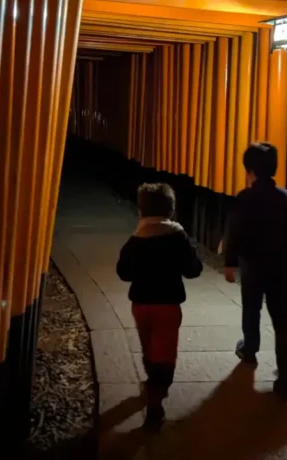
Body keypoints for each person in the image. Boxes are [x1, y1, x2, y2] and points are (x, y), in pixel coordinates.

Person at [117, 183, 203, 430]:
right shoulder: (178, 236)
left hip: (141, 303)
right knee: (164, 353)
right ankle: (156, 405)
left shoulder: (136, 239)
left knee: (148, 348)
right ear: (171, 209)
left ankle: (151, 383)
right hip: (168, 303)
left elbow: (123, 272)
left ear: (141, 210)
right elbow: (192, 270)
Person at [221, 141, 287, 400]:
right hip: (280, 267)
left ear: (250, 170)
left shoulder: (245, 198)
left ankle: (250, 349)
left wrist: (230, 263)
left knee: (251, 308)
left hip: (253, 266)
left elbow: (234, 234)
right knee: (281, 319)